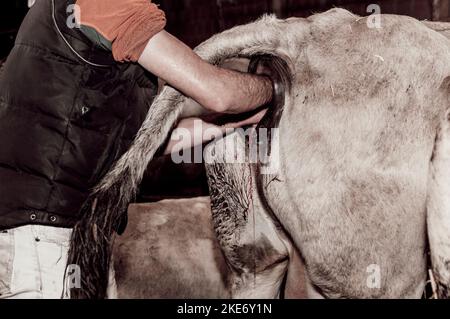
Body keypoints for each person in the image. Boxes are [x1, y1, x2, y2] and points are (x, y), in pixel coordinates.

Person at [0, 0, 274, 299]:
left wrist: (222, 127)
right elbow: (217, 93)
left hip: (64, 234)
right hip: (44, 237)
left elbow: (135, 143)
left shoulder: (75, 34)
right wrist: (277, 88)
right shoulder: (105, 3)